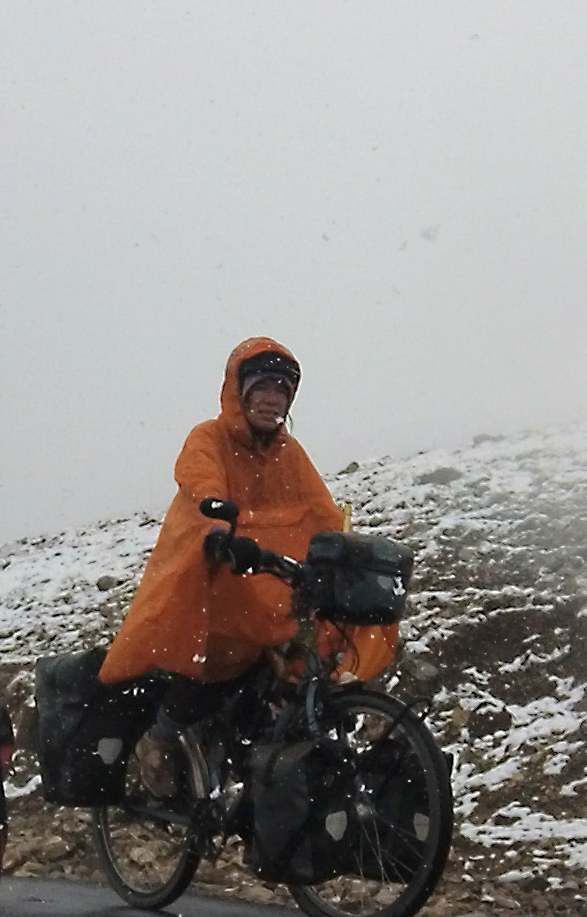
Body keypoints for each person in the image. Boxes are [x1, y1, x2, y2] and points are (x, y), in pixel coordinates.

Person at [98, 336, 393, 794]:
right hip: (209, 569)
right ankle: (158, 737)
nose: (273, 400)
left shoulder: (288, 454)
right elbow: (200, 480)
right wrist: (219, 519)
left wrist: (345, 552)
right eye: (263, 388)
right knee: (216, 661)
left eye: (282, 391)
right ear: (239, 392)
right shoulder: (208, 437)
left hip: (266, 575)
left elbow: (321, 511)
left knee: (307, 654)